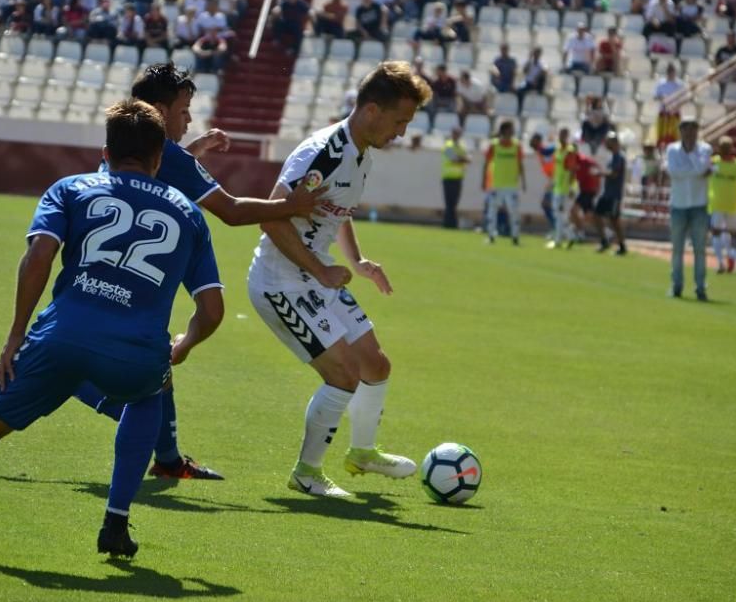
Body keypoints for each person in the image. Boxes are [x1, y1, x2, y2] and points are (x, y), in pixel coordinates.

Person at [0, 99, 225, 558]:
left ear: (106, 152)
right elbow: (211, 309)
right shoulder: (189, 213)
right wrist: (184, 345)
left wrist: (14, 339)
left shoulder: (71, 188)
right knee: (153, 390)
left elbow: (37, 260)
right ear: (158, 159)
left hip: (60, 338)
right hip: (134, 352)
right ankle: (115, 522)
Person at [71, 64, 325, 480]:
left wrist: (195, 151)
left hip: (108, 260)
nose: (190, 120)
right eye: (185, 111)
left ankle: (167, 458)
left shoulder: (132, 146)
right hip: (142, 266)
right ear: (157, 110)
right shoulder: (167, 154)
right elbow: (231, 210)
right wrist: (291, 207)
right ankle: (55, 379)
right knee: (168, 345)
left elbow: (160, 171)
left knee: (153, 356)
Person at [246, 61, 432, 497]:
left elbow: (336, 210)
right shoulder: (323, 153)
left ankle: (362, 453)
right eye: (399, 121)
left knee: (376, 364)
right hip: (280, 282)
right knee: (344, 375)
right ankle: (306, 473)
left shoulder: (360, 151)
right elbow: (272, 219)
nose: (401, 132)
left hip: (313, 276)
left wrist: (358, 261)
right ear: (371, 111)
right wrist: (322, 269)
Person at [664, 118, 712, 300]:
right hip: (679, 205)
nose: (690, 133)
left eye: (693, 130)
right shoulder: (672, 150)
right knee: (677, 249)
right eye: (686, 129)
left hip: (699, 205)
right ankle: (677, 286)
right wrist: (696, 170)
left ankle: (701, 287)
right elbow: (674, 172)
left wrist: (692, 160)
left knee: (700, 249)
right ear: (681, 131)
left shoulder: (705, 149)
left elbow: (701, 169)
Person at [708, 136, 736, 274]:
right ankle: (731, 257)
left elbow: (704, 174)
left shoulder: (715, 162)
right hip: (732, 202)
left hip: (718, 201)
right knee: (726, 231)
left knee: (717, 232)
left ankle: (721, 262)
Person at [483, 120, 526, 245]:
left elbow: (520, 164)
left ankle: (515, 237)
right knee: (492, 211)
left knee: (514, 212)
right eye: (511, 129)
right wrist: (484, 181)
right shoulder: (494, 145)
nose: (513, 132)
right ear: (505, 130)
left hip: (511, 185)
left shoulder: (517, 145)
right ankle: (491, 236)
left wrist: (523, 181)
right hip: (496, 184)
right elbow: (486, 164)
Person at [592, 131, 628, 255]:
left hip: (614, 194)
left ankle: (622, 245)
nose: (606, 144)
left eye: (608, 142)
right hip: (607, 193)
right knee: (596, 214)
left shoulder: (619, 157)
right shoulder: (612, 156)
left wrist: (600, 173)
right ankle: (604, 240)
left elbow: (614, 174)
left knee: (614, 220)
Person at [547, 127, 578, 249]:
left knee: (559, 213)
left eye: (564, 135)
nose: (561, 137)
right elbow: (557, 169)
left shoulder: (569, 151)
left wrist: (571, 187)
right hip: (558, 186)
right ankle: (569, 236)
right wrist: (552, 183)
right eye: (560, 134)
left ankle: (560, 239)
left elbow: (572, 170)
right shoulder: (558, 150)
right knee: (558, 214)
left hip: (565, 188)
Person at [441, 126, 469, 229]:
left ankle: (451, 224)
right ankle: (449, 224)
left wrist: (462, 159)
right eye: (455, 133)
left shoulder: (461, 146)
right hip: (448, 178)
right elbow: (455, 159)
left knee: (454, 203)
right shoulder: (448, 146)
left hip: (458, 178)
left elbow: (465, 159)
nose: (457, 135)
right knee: (450, 203)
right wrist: (462, 159)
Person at [654, 63, 685, 149]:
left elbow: (683, 98)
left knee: (674, 136)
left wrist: (675, 106)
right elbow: (656, 96)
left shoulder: (679, 84)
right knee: (662, 136)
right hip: (663, 113)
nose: (671, 73)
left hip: (675, 114)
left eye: (672, 71)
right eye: (669, 71)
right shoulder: (661, 83)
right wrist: (663, 99)